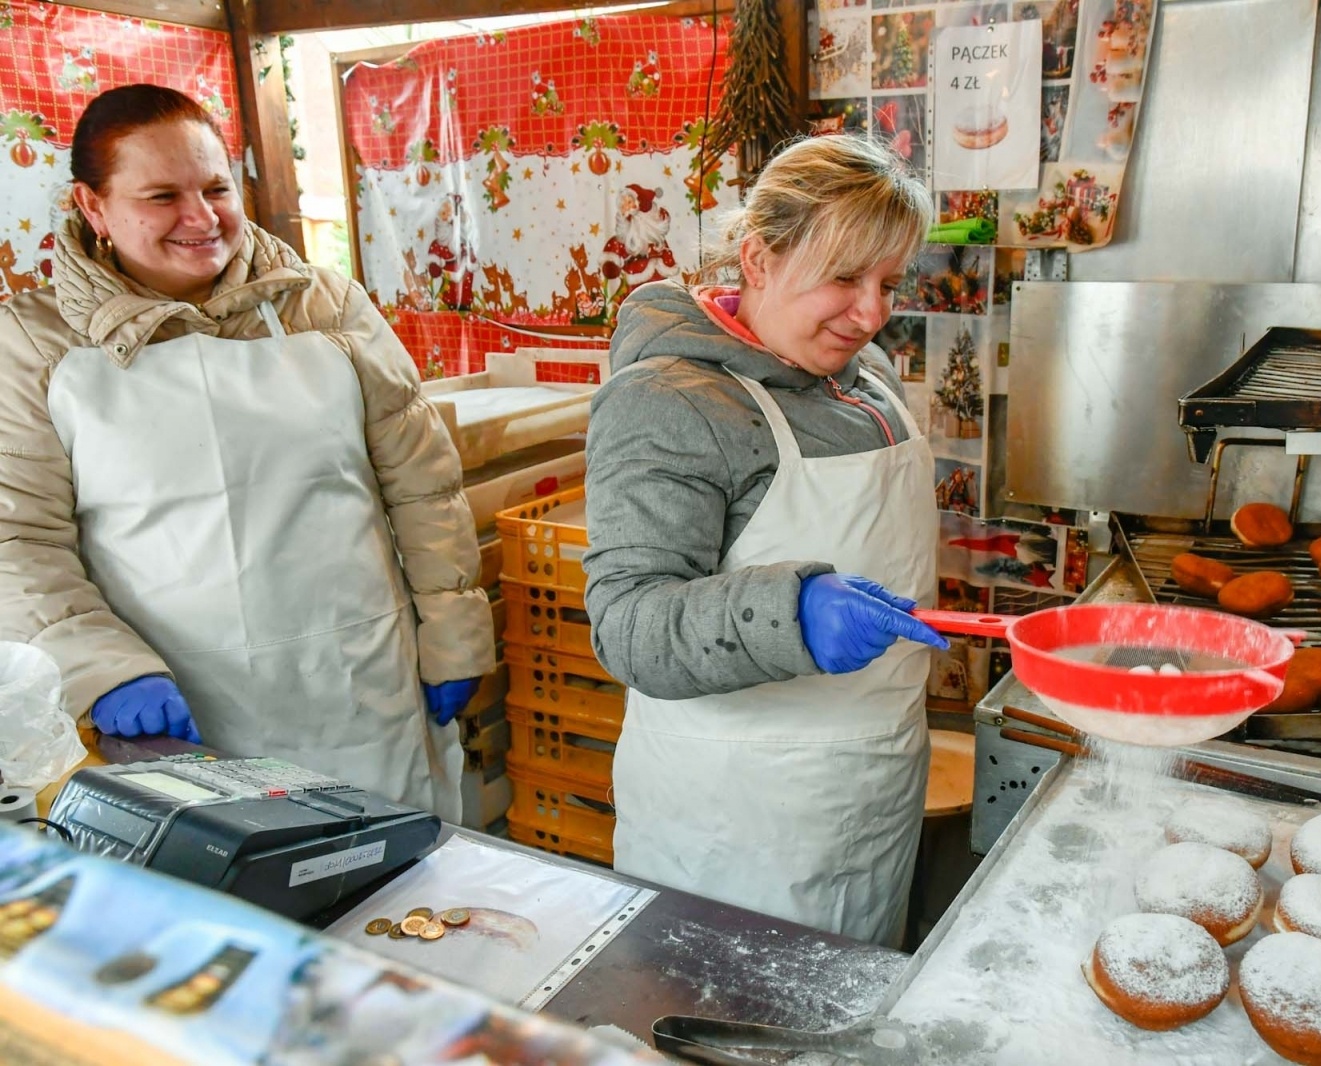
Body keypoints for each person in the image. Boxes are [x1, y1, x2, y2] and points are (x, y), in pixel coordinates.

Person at [0, 84, 493, 820]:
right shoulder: (33, 344)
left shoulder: (325, 305)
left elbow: (423, 488)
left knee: (392, 871)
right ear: (93, 206)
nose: (201, 218)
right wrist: (101, 668)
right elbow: (18, 539)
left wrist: (454, 635)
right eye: (162, 196)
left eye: (216, 189)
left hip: (362, 682)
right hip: (182, 711)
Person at [583, 134, 949, 945]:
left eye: (889, 282)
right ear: (757, 258)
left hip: (873, 788)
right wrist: (793, 610)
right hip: (734, 824)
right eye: (844, 278)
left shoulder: (870, 379)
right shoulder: (671, 400)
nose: (873, 315)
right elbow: (626, 624)